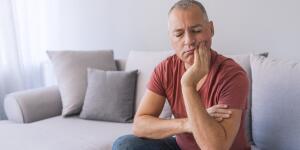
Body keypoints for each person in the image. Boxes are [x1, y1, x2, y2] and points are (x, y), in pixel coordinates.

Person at [113, 0, 250, 149]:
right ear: (170, 38)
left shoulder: (233, 75)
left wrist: (188, 85)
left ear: (211, 29)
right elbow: (139, 125)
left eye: (196, 30)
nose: (188, 41)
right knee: (125, 144)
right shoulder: (165, 69)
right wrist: (188, 123)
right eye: (178, 34)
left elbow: (215, 147)